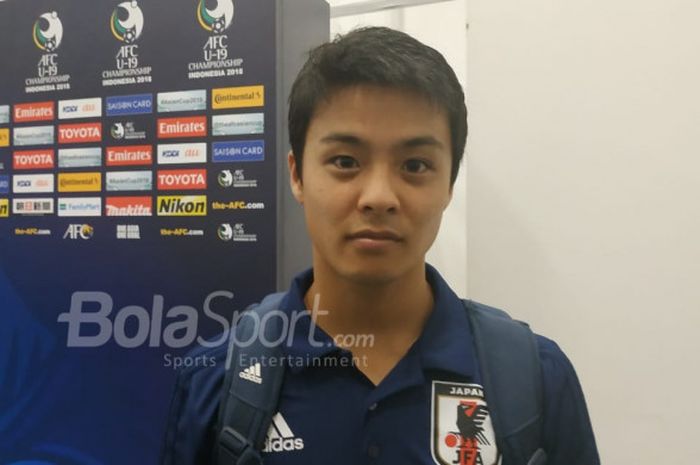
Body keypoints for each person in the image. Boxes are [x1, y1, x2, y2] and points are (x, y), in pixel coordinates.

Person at [161, 26, 600, 465]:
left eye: (415, 165)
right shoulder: (216, 383)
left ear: (449, 183)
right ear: (296, 175)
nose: (379, 197)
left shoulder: (535, 381)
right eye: (346, 162)